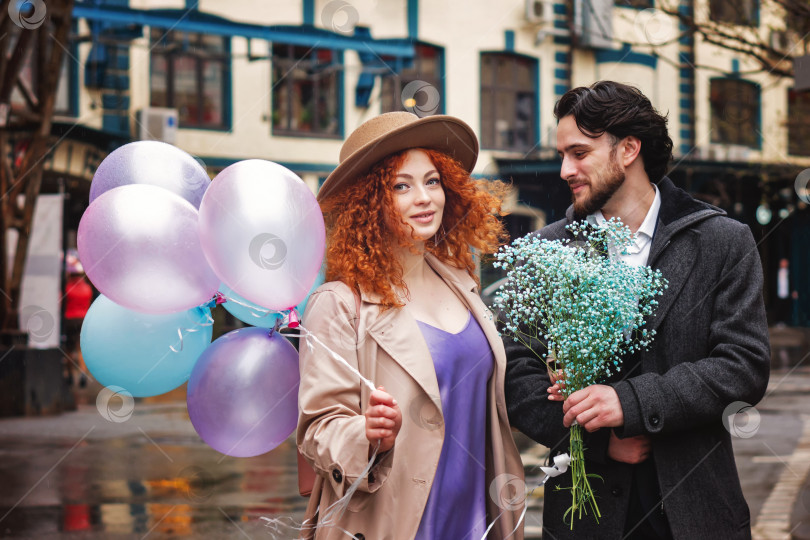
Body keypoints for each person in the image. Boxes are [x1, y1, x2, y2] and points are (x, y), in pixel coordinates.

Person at [503, 81, 770, 540]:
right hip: (582, 519)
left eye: (579, 153)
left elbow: (743, 366)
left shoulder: (722, 241)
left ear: (628, 149)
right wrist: (598, 441)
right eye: (563, 154)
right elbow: (514, 370)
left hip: (696, 512)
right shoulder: (545, 250)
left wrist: (629, 404)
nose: (565, 169)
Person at [297, 112, 525, 539]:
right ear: (368, 202)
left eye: (432, 181)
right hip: (394, 520)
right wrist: (366, 435)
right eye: (401, 186)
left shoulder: (462, 284)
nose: (424, 198)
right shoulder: (339, 304)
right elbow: (316, 431)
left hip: (477, 517)